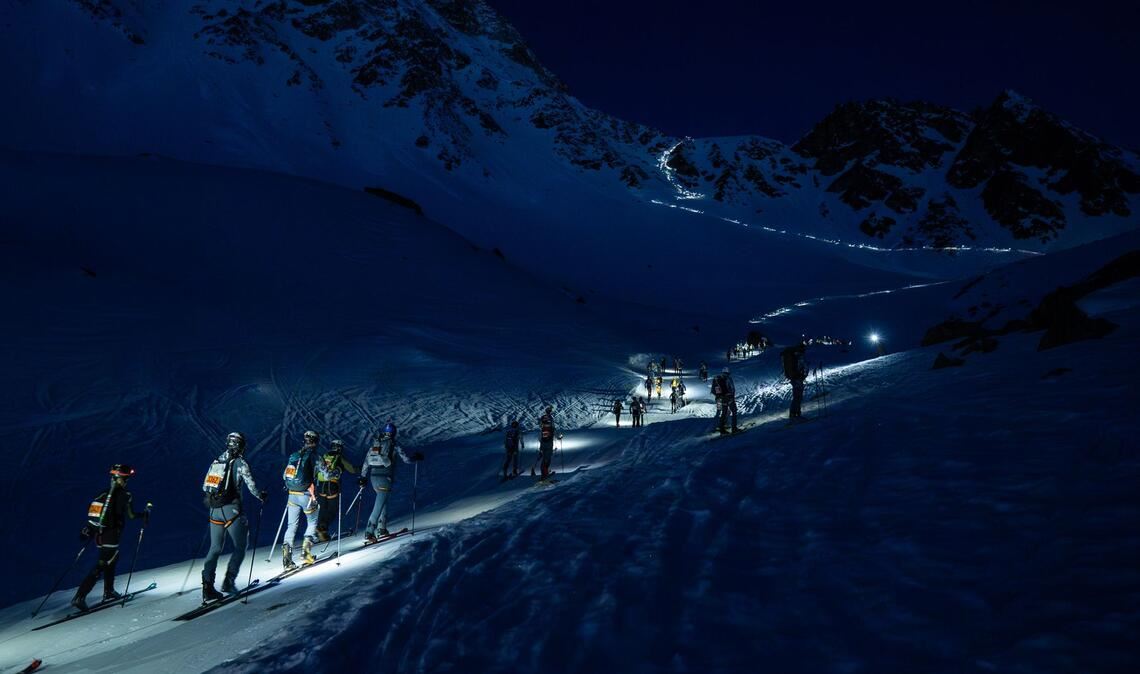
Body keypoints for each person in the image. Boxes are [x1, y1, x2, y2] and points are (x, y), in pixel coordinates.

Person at [72, 464, 149, 611]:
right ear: (121, 479)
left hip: (99, 535)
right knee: (102, 563)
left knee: (112, 559)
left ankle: (108, 591)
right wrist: (144, 514)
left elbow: (92, 516)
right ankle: (80, 596)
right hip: (112, 535)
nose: (127, 482)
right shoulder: (126, 495)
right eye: (126, 479)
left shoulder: (102, 494)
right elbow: (131, 515)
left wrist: (89, 530)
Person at [200, 432, 266, 601]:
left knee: (214, 548)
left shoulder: (217, 460)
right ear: (241, 445)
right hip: (231, 509)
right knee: (241, 545)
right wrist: (261, 496)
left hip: (214, 509)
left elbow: (205, 485)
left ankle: (207, 587)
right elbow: (251, 485)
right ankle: (229, 581)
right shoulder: (240, 463)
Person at [359, 421, 422, 542]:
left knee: (383, 502)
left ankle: (381, 528)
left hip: (373, 477)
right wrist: (415, 458)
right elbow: (406, 459)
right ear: (394, 433)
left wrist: (362, 477)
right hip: (384, 477)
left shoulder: (376, 444)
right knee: (378, 506)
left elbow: (366, 461)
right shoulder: (393, 444)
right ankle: (369, 532)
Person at [280, 430, 319, 570]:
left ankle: (287, 559)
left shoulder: (294, 455)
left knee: (291, 525)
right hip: (306, 494)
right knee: (312, 521)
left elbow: (285, 475)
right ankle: (306, 553)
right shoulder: (314, 456)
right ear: (315, 442)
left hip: (292, 494)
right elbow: (325, 472)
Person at [315, 439, 357, 542]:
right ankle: (322, 529)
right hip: (332, 485)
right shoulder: (339, 457)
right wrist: (361, 469)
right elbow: (351, 469)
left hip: (321, 485)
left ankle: (319, 531)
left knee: (323, 509)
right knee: (333, 510)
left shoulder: (325, 456)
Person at [782, 343, 809, 419]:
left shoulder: (795, 356)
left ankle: (796, 412)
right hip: (796, 378)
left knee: (798, 395)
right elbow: (797, 368)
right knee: (797, 396)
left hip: (796, 378)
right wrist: (802, 374)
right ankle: (794, 413)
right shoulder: (796, 356)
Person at [712, 367, 739, 433]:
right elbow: (732, 389)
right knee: (734, 411)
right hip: (729, 398)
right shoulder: (728, 379)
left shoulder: (718, 379)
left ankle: (722, 429)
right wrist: (732, 397)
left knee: (723, 412)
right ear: (728, 372)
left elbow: (714, 391)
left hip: (721, 398)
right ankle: (734, 428)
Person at [533, 406, 556, 479]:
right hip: (549, 442)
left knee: (544, 458)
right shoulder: (551, 419)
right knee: (547, 458)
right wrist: (559, 437)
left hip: (543, 441)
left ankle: (544, 472)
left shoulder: (542, 418)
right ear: (550, 411)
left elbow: (540, 427)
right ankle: (544, 474)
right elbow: (553, 429)